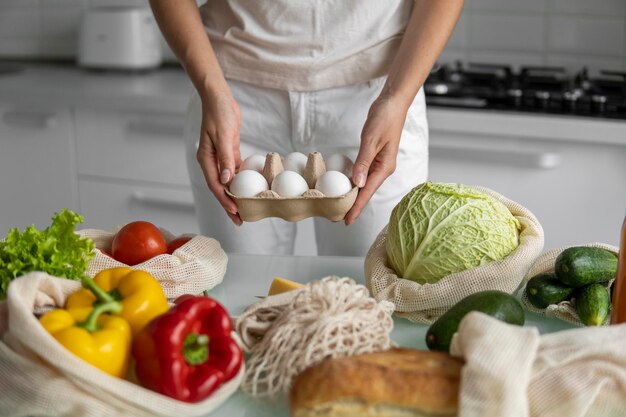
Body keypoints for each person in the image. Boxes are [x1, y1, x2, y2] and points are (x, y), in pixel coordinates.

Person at [149, 0, 463, 256]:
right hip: (233, 95)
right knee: (241, 295)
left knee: (370, 295)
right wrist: (211, 90)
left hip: (376, 98)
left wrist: (397, 98)